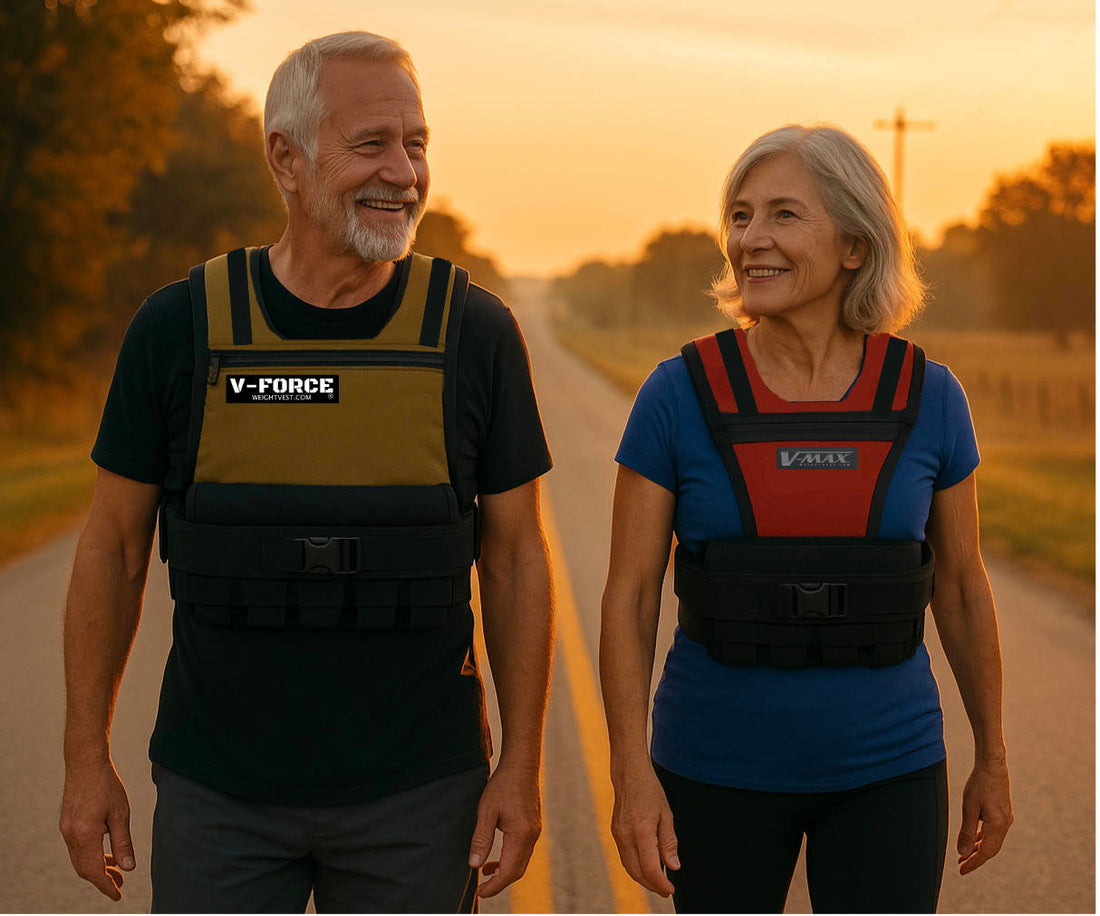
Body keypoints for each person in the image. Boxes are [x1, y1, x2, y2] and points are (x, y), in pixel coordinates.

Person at [59, 31, 553, 913]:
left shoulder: (475, 333)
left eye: (417, 143)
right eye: (371, 144)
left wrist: (520, 767)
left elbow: (515, 561)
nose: (403, 172)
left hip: (421, 797)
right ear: (285, 160)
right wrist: (84, 760)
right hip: (220, 797)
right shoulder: (179, 330)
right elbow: (113, 550)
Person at [600, 124, 1012, 913]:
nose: (751, 239)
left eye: (784, 215)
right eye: (741, 216)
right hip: (711, 769)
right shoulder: (676, 395)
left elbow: (960, 588)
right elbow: (631, 594)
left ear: (855, 246)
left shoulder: (931, 398)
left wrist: (991, 755)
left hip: (890, 772)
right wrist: (631, 773)